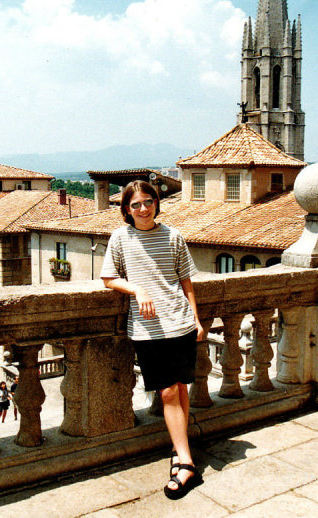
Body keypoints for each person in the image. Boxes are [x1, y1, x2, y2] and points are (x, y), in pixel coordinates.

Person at [100, 180, 204, 500]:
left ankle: (181, 455)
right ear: (126, 210)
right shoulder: (120, 238)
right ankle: (186, 461)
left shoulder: (173, 236)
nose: (143, 208)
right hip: (148, 329)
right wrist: (138, 289)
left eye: (148, 201)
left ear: (157, 203)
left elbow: (185, 281)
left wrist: (197, 320)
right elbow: (108, 278)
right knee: (169, 391)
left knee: (180, 388)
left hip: (180, 323)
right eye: (136, 205)